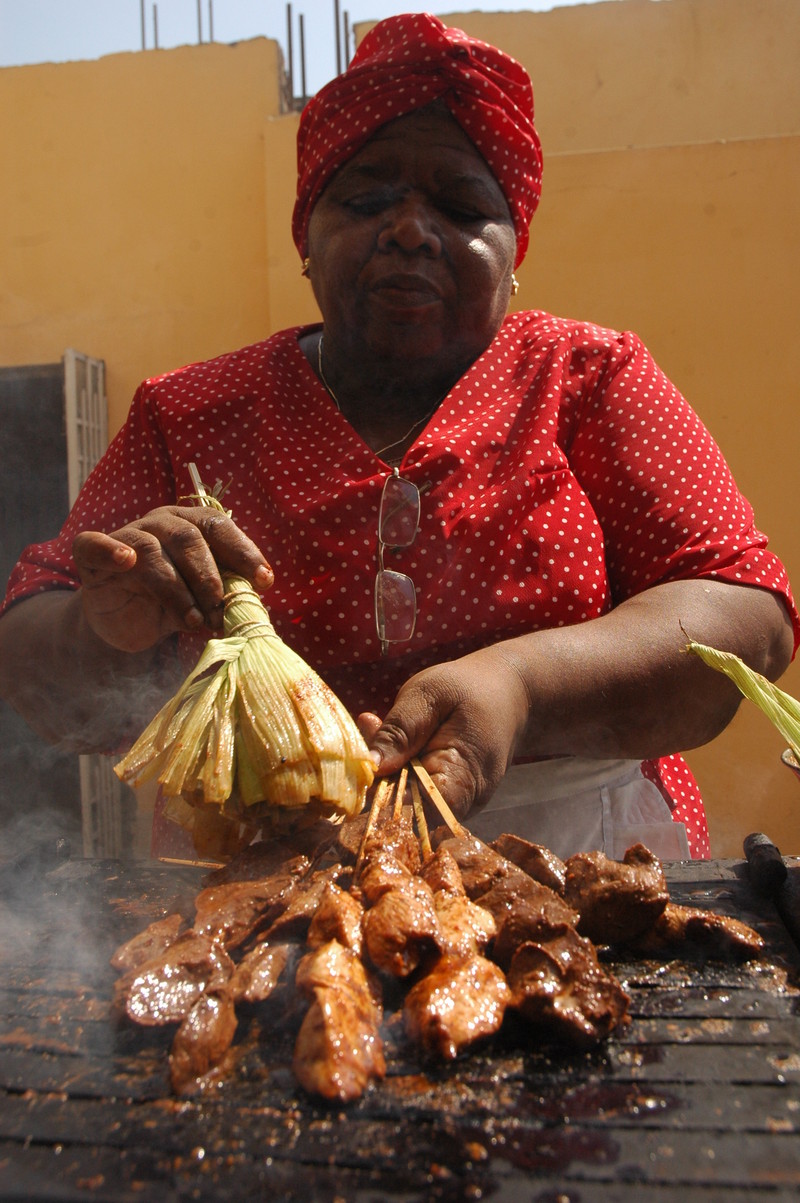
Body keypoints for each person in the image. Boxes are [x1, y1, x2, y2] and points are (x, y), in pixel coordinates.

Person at [0, 12, 796, 861]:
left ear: (513, 251)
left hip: (573, 868)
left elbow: (746, 614)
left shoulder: (587, 377)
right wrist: (101, 629)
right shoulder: (189, 415)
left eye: (460, 204)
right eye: (366, 198)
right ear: (307, 234)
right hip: (260, 877)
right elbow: (28, 654)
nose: (411, 229)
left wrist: (518, 687)